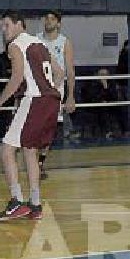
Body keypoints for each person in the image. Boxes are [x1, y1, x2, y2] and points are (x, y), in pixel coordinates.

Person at [0, 10, 63, 222]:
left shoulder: (16, 45)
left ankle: (17, 201)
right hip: (51, 101)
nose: (4, 30)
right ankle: (36, 204)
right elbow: (60, 73)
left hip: (35, 101)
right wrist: (48, 90)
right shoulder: (40, 44)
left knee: (6, 149)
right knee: (30, 151)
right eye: (2, 26)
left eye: (7, 25)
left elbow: (17, 76)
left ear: (20, 24)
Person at [38, 9, 76, 175]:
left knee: (49, 129)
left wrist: (71, 96)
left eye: (52, 19)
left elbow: (70, 71)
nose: (48, 21)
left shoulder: (64, 42)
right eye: (46, 18)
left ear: (58, 23)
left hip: (56, 91)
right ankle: (33, 161)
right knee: (35, 127)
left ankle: (40, 163)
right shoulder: (36, 40)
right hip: (37, 89)